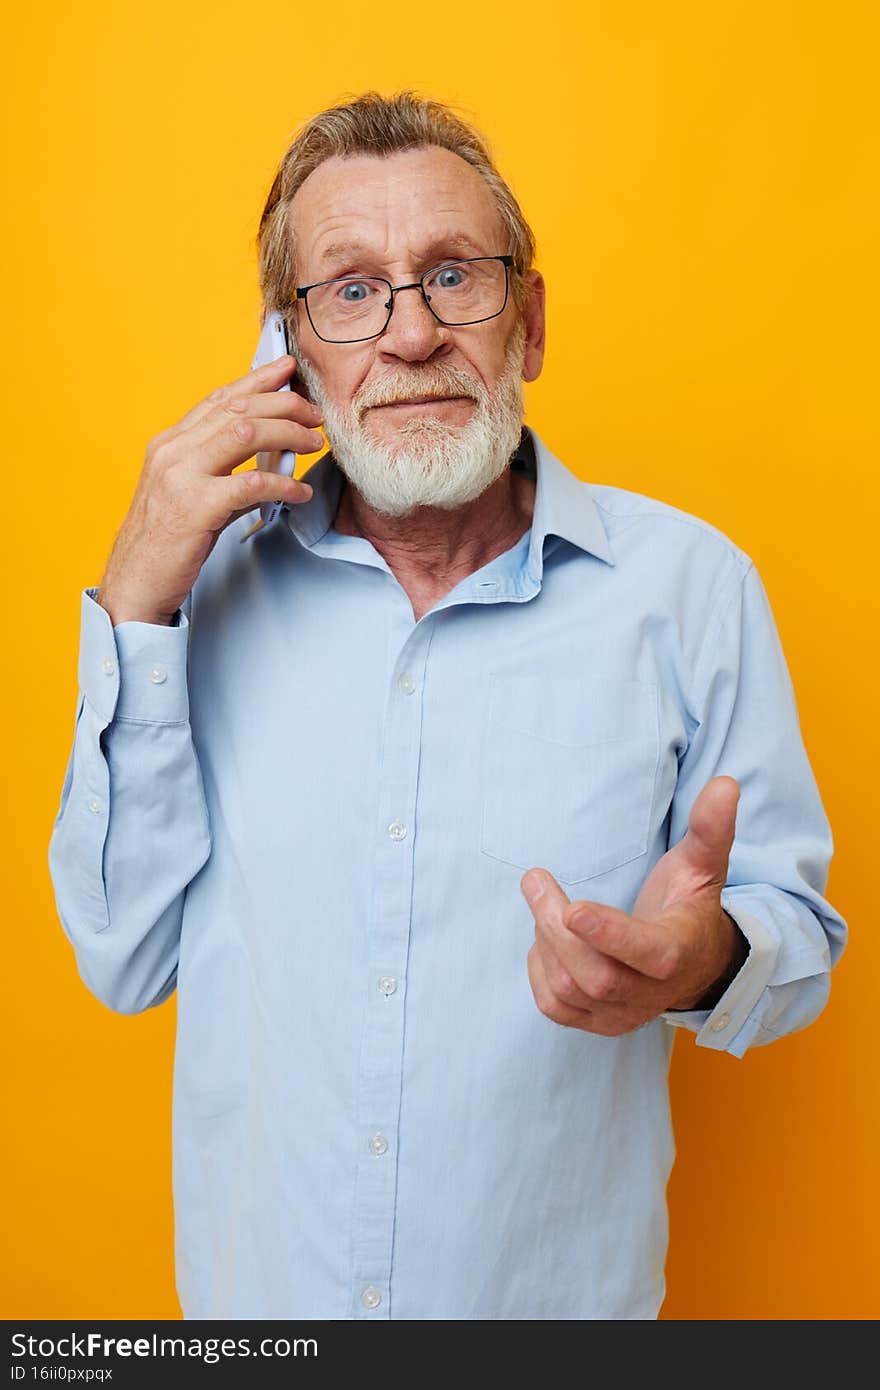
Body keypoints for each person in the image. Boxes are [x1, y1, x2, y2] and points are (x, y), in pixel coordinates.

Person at [48, 89, 847, 1321]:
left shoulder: (690, 589)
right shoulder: (196, 593)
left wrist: (703, 962)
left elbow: (796, 935)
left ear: (526, 322)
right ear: (289, 349)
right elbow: (123, 956)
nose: (410, 334)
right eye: (351, 289)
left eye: (453, 276)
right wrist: (136, 604)